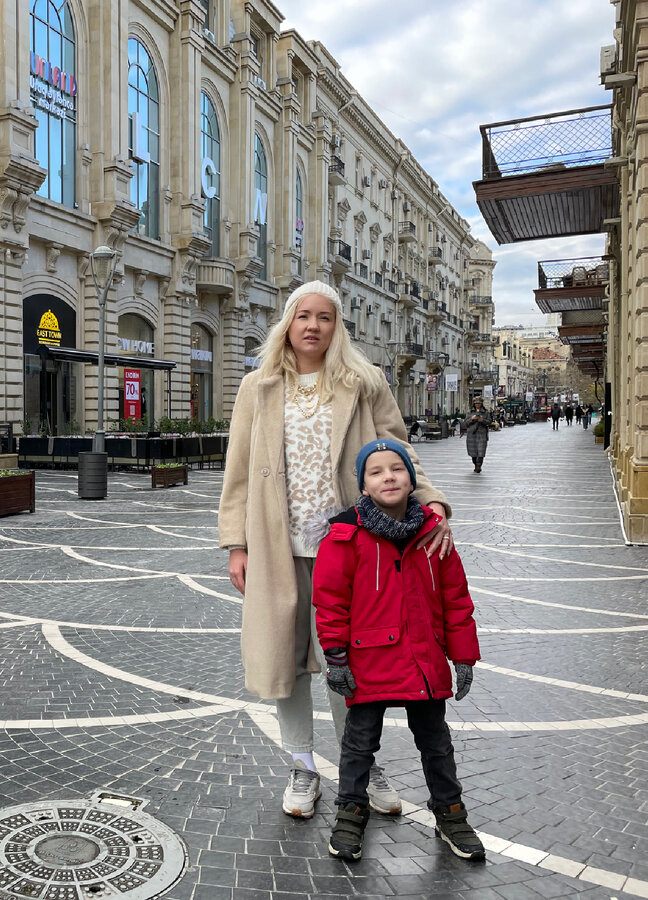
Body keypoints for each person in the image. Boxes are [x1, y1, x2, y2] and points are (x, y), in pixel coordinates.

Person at [218, 280, 454, 820]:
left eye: (324, 317)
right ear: (288, 322)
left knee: (352, 664)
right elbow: (236, 474)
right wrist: (236, 543)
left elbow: (398, 451)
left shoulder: (363, 382)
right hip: (278, 547)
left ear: (336, 325)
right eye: (304, 316)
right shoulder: (258, 386)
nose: (313, 326)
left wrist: (431, 500)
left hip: (352, 548)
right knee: (284, 660)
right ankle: (302, 767)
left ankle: (363, 765)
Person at [313, 440, 484, 862]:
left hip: (423, 660)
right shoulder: (344, 534)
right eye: (376, 471)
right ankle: (350, 814)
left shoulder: (433, 531)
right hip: (367, 661)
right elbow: (330, 600)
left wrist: (463, 656)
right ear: (363, 485)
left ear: (411, 478)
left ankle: (451, 813)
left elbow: (456, 599)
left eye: (397, 469)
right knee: (359, 745)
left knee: (436, 744)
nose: (388, 476)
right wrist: (335, 658)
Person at [463, 399, 490, 473]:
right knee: (473, 452)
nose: (477, 405)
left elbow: (489, 422)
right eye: (476, 403)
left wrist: (482, 420)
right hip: (472, 434)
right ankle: (475, 464)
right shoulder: (470, 412)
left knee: (481, 451)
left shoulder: (486, 412)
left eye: (479, 403)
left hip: (482, 434)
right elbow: (465, 423)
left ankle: (479, 465)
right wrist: (472, 418)